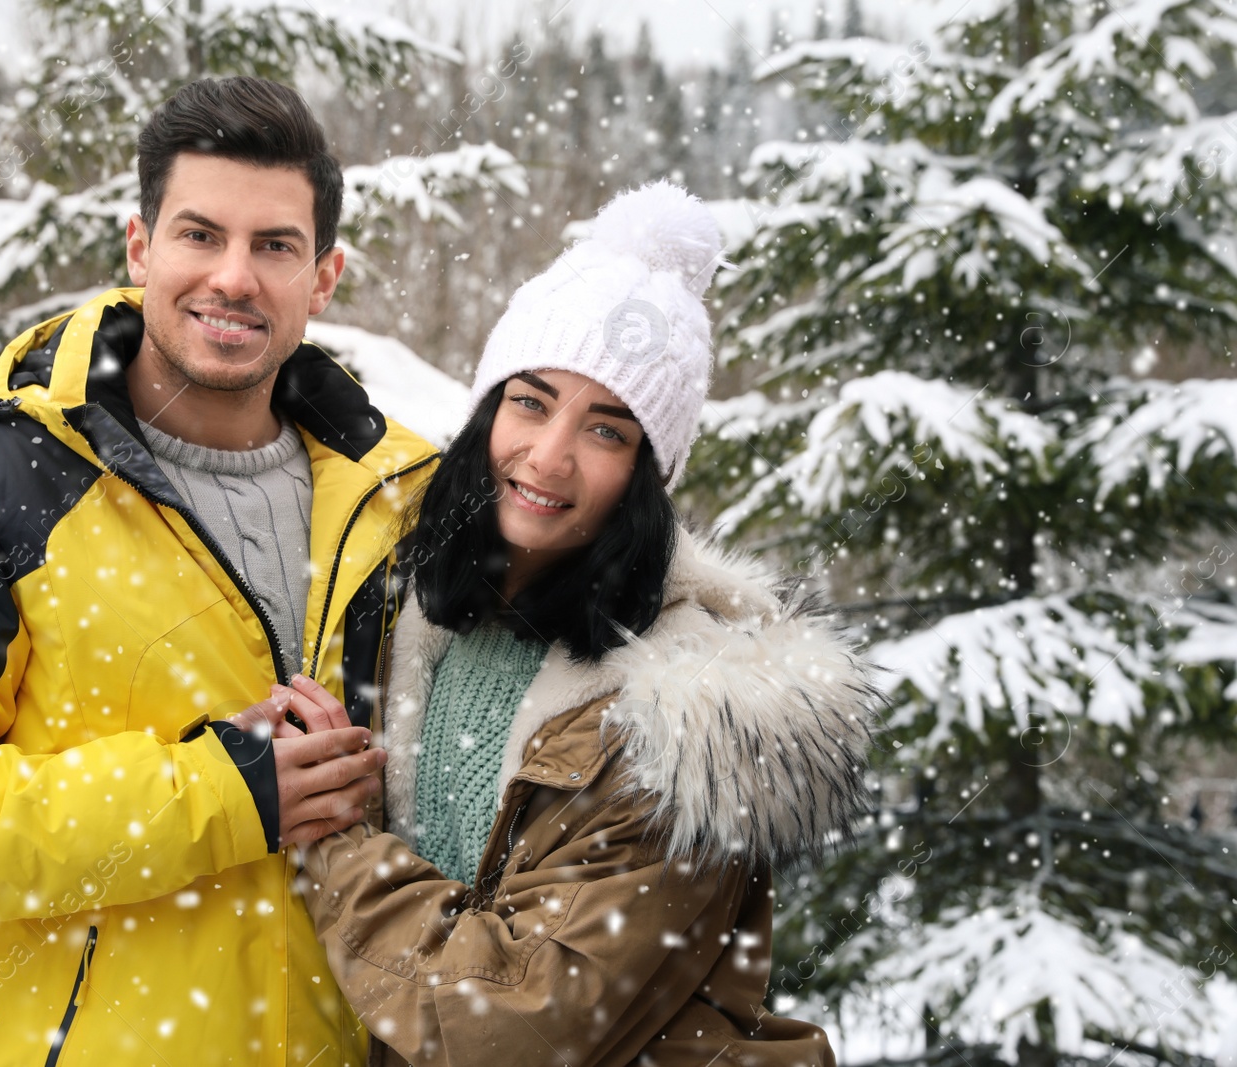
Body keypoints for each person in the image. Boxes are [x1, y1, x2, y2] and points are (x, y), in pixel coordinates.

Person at [0, 76, 437, 1067]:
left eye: (275, 246)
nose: (233, 276)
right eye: (198, 234)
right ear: (140, 246)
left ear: (325, 276)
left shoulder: (398, 504)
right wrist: (216, 793)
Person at [268, 181, 883, 1066]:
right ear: (486, 409)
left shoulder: (686, 720)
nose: (549, 455)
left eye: (606, 430)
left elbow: (510, 1024)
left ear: (645, 474)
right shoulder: (401, 614)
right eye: (530, 400)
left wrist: (332, 837)